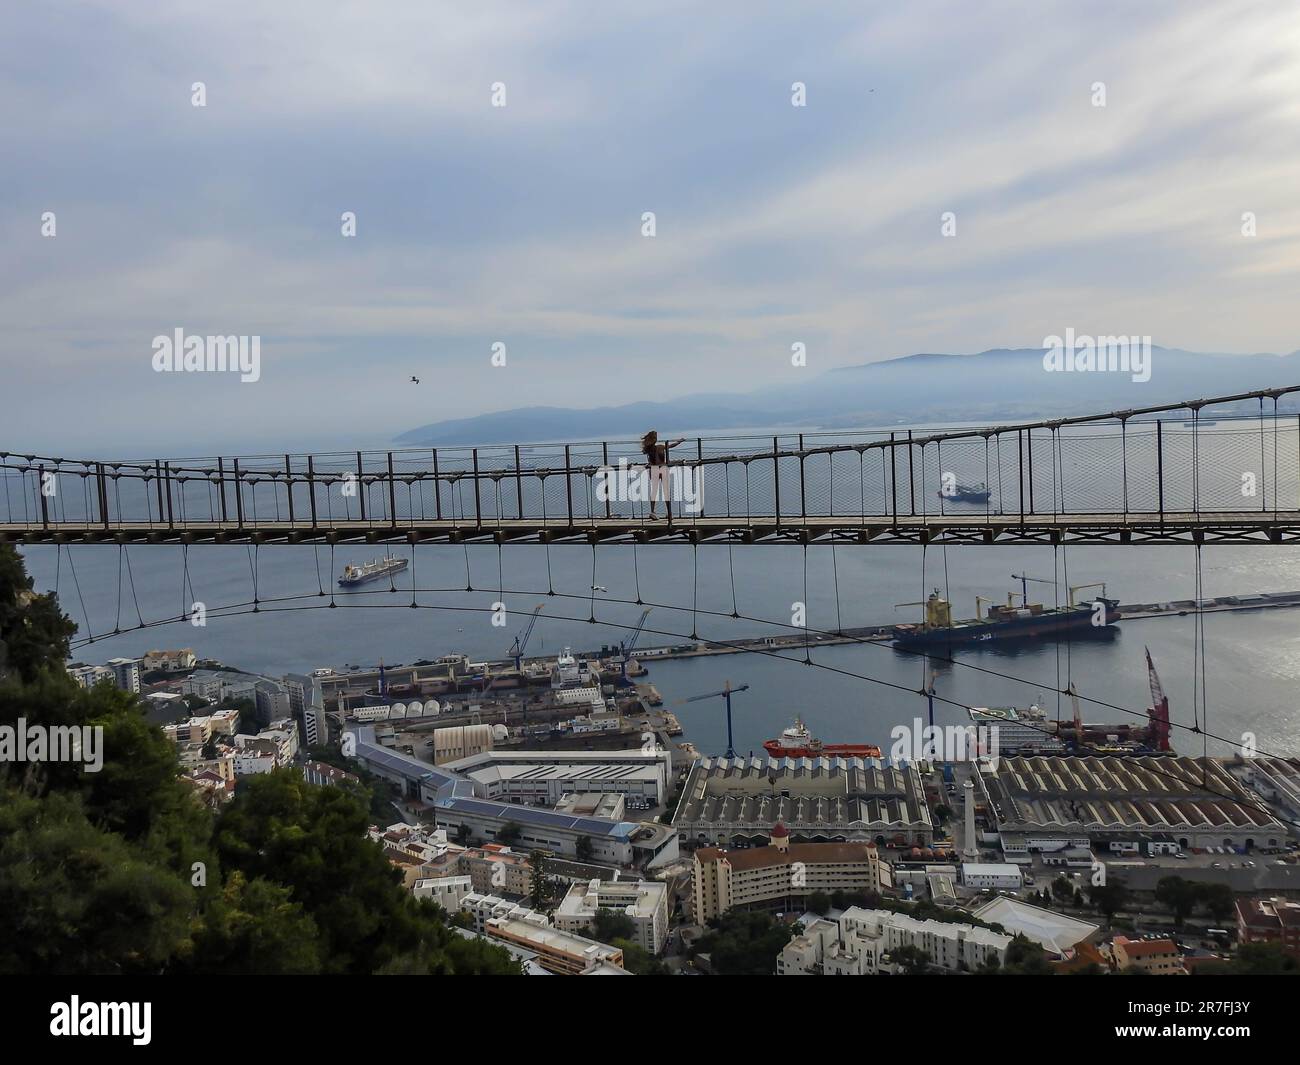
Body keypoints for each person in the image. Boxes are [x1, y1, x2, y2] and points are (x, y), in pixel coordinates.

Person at [641, 429, 684, 519]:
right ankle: (669, 513)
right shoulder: (660, 447)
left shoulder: (648, 449)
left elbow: (648, 458)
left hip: (653, 470)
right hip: (663, 469)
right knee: (666, 491)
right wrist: (679, 441)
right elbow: (671, 446)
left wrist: (648, 464)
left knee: (654, 491)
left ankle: (652, 512)